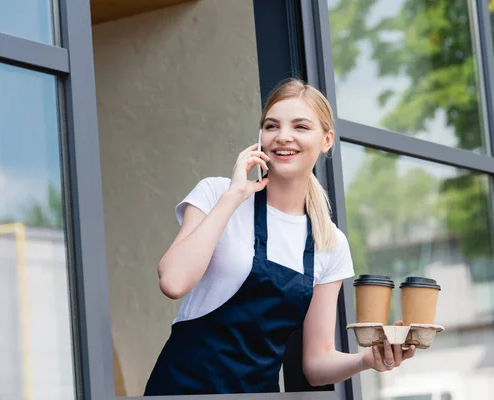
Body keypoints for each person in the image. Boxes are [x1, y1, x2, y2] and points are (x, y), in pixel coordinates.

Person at [144, 79, 415, 396]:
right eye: (272, 126)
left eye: (300, 126)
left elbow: (316, 365)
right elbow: (173, 282)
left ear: (326, 140)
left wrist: (367, 359)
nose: (283, 136)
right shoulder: (217, 193)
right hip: (181, 390)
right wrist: (233, 197)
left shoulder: (330, 243)